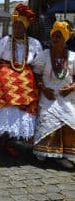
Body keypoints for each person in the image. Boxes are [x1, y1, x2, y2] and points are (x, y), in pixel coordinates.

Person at [0, 4, 43, 156]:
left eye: (19, 25)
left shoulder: (34, 44)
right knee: (0, 102)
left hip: (25, 78)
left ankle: (10, 141)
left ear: (25, 27)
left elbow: (37, 65)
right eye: (14, 25)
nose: (16, 28)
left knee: (20, 108)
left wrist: (39, 83)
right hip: (4, 75)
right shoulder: (4, 41)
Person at [32, 21, 75, 169]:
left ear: (65, 39)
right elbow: (36, 74)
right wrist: (43, 88)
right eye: (54, 36)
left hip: (67, 96)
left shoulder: (73, 57)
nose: (55, 39)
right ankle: (46, 152)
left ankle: (64, 155)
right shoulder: (43, 56)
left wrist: (72, 88)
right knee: (47, 117)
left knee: (72, 119)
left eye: (59, 36)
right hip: (48, 95)